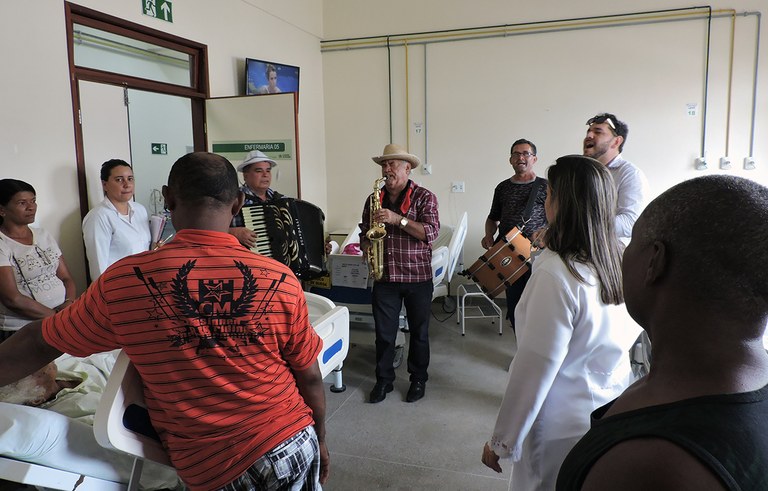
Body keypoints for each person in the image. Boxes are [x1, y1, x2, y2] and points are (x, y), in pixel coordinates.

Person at [0, 152, 329, 491]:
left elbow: (37, 341)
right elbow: (310, 376)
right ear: (237, 204)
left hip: (210, 464)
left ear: (168, 198)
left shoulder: (124, 282)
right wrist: (320, 437)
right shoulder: (279, 279)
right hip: (290, 439)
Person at [556, 175, 768, 491]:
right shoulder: (740, 380)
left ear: (654, 260)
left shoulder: (648, 465)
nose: (622, 254)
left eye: (632, 243)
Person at [481, 155, 641, 489]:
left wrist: (502, 440)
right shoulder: (616, 258)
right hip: (608, 408)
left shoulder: (557, 273)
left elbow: (535, 366)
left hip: (559, 426)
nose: (546, 203)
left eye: (549, 195)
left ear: (562, 204)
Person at [360, 144, 439, 404]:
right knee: (384, 334)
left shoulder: (425, 197)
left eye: (392, 164)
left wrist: (398, 219)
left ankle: (418, 379)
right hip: (385, 277)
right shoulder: (373, 199)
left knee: (419, 333)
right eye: (384, 164)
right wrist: (366, 247)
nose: (387, 169)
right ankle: (383, 381)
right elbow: (364, 232)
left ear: (408, 168)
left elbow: (430, 233)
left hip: (417, 277)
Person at [481, 139, 548, 330]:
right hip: (509, 256)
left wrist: (545, 234)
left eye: (526, 153)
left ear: (534, 159)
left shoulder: (546, 186)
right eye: (516, 154)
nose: (521, 157)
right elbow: (492, 218)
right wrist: (488, 236)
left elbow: (558, 220)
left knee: (538, 307)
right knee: (515, 307)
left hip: (538, 256)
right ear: (510, 160)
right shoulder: (502, 188)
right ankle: (520, 351)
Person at [0, 179, 76, 341]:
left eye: (33, 201)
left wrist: (68, 304)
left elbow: (66, 278)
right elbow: (12, 299)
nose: (31, 207)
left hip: (59, 319)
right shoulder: (2, 243)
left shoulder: (43, 235)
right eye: (22, 203)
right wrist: (56, 318)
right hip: (22, 329)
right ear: (2, 210)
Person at [582, 112, 648, 244]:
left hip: (612, 258)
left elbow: (630, 222)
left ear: (616, 141)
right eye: (588, 131)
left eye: (598, 132)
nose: (589, 136)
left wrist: (582, 224)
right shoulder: (583, 172)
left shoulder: (630, 174)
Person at [82, 159, 151, 280]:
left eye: (130, 179)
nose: (127, 184)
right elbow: (99, 268)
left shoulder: (140, 210)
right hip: (118, 288)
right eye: (119, 179)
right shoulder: (98, 217)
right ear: (105, 185)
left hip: (144, 283)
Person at [229, 149, 284, 248]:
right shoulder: (232, 199)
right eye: (259, 171)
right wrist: (233, 232)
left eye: (268, 170)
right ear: (245, 176)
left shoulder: (282, 200)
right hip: (244, 259)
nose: (265, 175)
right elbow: (210, 230)